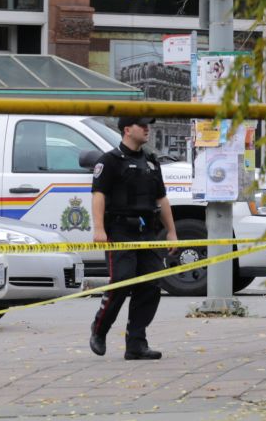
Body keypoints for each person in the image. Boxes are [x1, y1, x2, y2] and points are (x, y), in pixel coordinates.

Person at [89, 116, 178, 360]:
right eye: (142, 125)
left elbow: (161, 199)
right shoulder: (109, 161)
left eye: (148, 125)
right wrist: (99, 229)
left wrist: (171, 232)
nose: (147, 129)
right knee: (122, 280)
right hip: (119, 230)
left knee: (151, 284)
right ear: (127, 130)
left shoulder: (150, 161)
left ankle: (136, 343)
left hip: (146, 231)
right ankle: (99, 329)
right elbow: (99, 195)